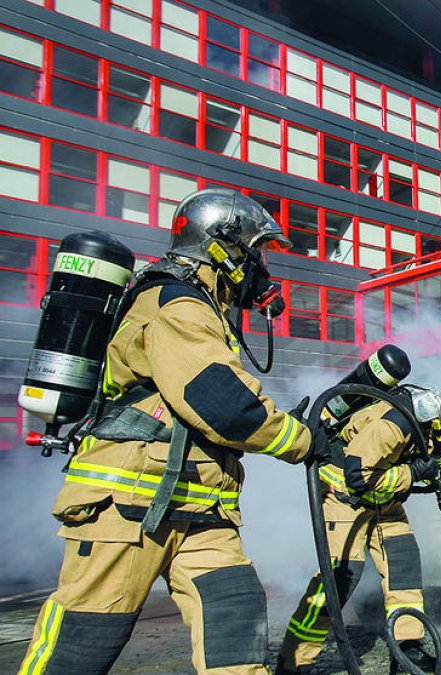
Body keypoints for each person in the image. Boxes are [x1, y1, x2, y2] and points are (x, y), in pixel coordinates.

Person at [19, 189, 312, 675]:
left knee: (235, 618)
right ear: (223, 247)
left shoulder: (203, 308)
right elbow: (224, 406)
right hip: (127, 508)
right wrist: (303, 439)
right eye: (254, 251)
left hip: (199, 506)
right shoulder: (175, 303)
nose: (259, 266)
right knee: (83, 641)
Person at [277, 387, 441, 674]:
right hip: (346, 499)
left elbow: (423, 456)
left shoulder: (431, 423)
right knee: (339, 580)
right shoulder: (395, 424)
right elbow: (359, 477)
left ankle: (407, 650)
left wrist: (440, 473)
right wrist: (413, 474)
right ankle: (295, 659)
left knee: (404, 568)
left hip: (384, 502)